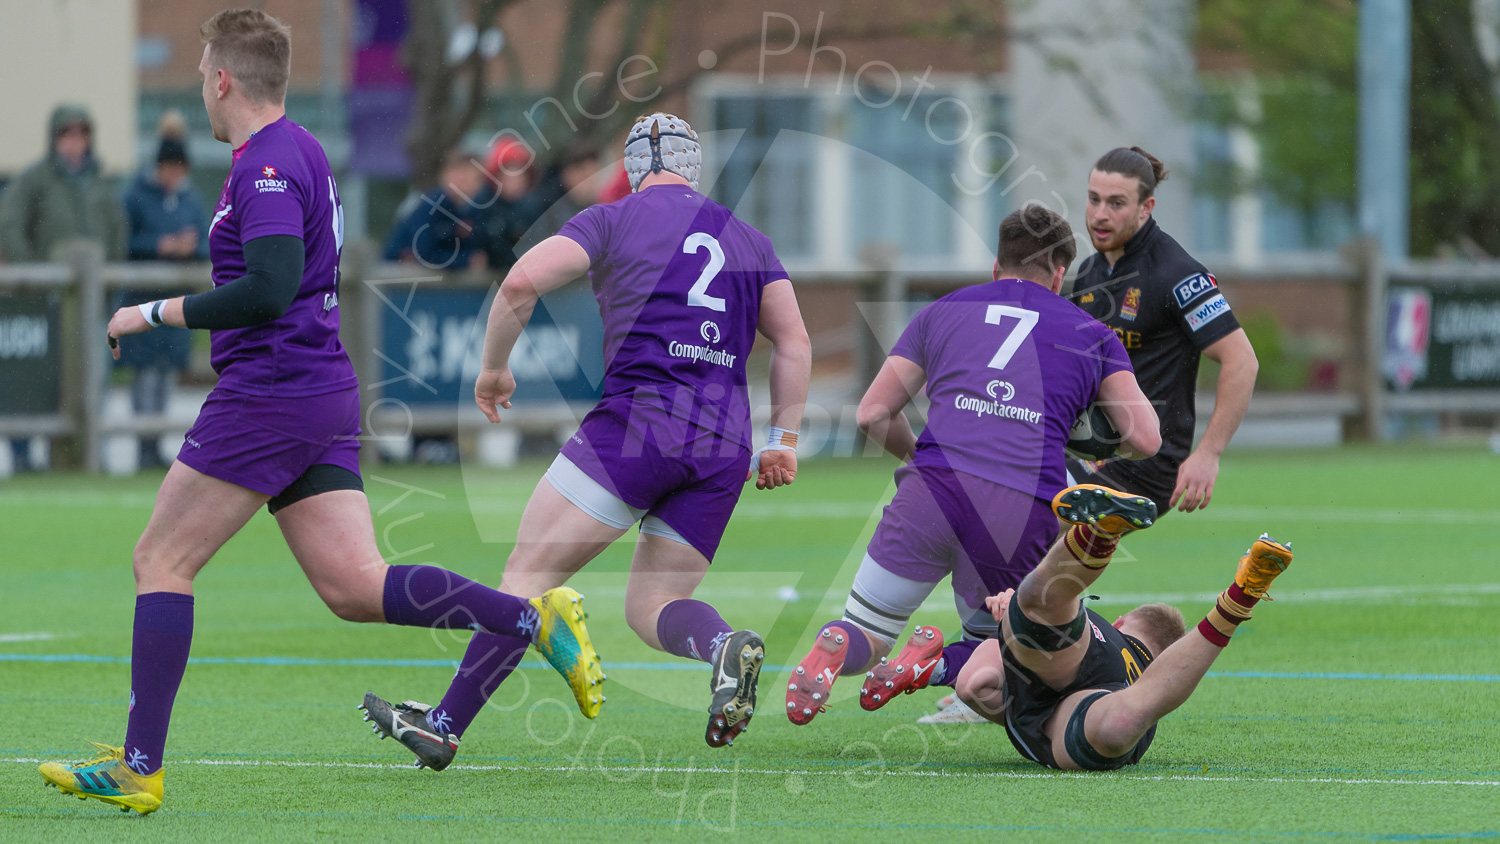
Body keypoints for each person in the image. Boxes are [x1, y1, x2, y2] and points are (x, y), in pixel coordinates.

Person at [37, 10, 600, 815]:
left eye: (203, 70)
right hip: (317, 386)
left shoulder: (265, 164)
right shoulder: (299, 149)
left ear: (224, 79)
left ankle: (139, 766)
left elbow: (268, 287)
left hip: (272, 390)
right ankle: (530, 618)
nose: (201, 82)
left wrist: (153, 312)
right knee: (354, 587)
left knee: (161, 562)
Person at [364, 112, 812, 765]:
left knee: (526, 573)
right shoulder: (748, 238)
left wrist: (492, 369)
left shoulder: (613, 218)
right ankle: (720, 646)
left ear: (630, 171)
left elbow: (520, 281)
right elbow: (795, 339)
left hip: (640, 424)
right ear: (695, 169)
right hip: (724, 442)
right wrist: (786, 438)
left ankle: (444, 723)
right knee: (656, 605)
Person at [785, 205, 1160, 726]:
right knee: (1013, 652)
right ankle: (933, 667)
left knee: (867, 631)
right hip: (1019, 502)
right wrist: (1094, 439)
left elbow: (872, 413)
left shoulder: (941, 311)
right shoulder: (1093, 334)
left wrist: (924, 461)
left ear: (996, 266)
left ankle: (837, 643)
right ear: (1058, 273)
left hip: (931, 488)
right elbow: (1146, 437)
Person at [953, 483, 1293, 771]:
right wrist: (1013, 635)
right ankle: (1237, 601)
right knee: (1118, 725)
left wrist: (1012, 629)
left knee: (1040, 602)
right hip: (1110, 696)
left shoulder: (1108, 630)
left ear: (1120, 622)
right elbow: (977, 685)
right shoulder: (1149, 677)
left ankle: (1098, 533)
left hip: (1085, 650)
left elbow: (973, 685)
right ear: (1164, 657)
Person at [1067, 146, 1259, 516]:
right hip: (1094, 451)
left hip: (1148, 462)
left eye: (1116, 203)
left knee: (1027, 520)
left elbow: (1241, 361)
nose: (1100, 215)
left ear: (1146, 207)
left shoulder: (1178, 274)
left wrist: (1208, 454)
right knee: (1040, 563)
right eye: (1094, 200)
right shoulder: (1088, 275)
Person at [0, 103, 127, 471]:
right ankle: (24, 457)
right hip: (47, 301)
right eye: (67, 134)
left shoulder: (101, 181)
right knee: (33, 380)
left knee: (93, 377)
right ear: (55, 138)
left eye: (81, 134)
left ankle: (86, 452)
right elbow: (9, 224)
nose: (75, 142)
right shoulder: (36, 179)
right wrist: (34, 273)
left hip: (94, 304)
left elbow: (118, 231)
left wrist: (110, 276)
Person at [118, 131, 209, 467]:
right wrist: (160, 245)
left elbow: (206, 242)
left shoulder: (190, 200)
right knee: (145, 375)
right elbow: (125, 243)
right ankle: (144, 448)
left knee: (167, 375)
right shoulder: (135, 195)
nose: (175, 176)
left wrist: (189, 248)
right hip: (142, 302)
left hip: (175, 306)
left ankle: (156, 447)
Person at [383, 148, 489, 271]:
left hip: (437, 281)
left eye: (468, 179)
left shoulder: (473, 210)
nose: (462, 184)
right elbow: (424, 254)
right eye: (459, 177)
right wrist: (465, 260)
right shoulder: (431, 205)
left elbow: (476, 250)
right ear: (445, 176)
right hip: (398, 277)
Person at [517, 144, 601, 252]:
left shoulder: (598, 207)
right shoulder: (546, 210)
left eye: (595, 174)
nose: (591, 181)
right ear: (568, 174)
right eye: (585, 176)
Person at [478, 137, 543, 271]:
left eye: (520, 173)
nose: (515, 180)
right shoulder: (481, 206)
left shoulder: (534, 207)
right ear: (495, 177)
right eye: (508, 173)